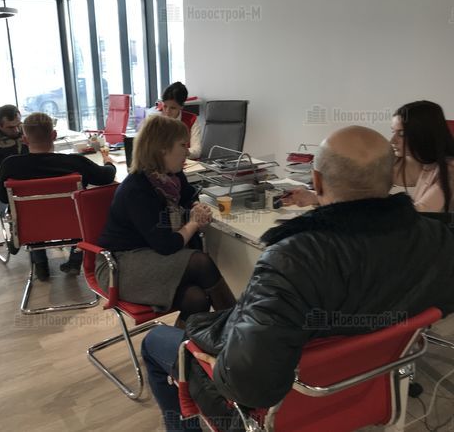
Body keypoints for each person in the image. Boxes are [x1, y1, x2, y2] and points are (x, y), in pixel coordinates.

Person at [141, 126, 454, 432]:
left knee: (154, 342)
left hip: (281, 409)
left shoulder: (291, 261)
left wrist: (214, 361)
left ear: (316, 180)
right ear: (391, 179)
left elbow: (249, 387)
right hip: (366, 389)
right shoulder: (437, 240)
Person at [96, 115, 236, 329]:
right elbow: (167, 245)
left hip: (150, 257)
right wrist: (193, 223)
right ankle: (239, 331)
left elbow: (189, 196)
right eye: (182, 145)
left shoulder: (173, 177)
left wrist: (195, 207)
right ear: (162, 149)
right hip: (120, 266)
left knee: (196, 298)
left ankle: (179, 349)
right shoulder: (137, 189)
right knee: (200, 262)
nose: (187, 152)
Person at [0, 112, 117, 281]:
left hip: (30, 229)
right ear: (54, 135)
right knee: (80, 210)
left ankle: (41, 265)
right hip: (74, 225)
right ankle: (75, 260)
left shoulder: (10, 165)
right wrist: (108, 162)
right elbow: (106, 177)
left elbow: (3, 198)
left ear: (24, 139)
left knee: (32, 215)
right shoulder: (74, 162)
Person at [285, 100, 454, 212]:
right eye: (393, 132)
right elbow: (356, 186)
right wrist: (316, 196)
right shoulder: (417, 162)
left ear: (424, 134)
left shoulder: (449, 171)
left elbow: (420, 214)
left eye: (401, 133)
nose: (392, 140)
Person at [154, 82, 202, 159]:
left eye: (172, 108)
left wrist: (179, 152)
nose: (167, 111)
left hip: (185, 162)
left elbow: (197, 151)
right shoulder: (157, 119)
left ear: (181, 107)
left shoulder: (191, 119)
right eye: (165, 106)